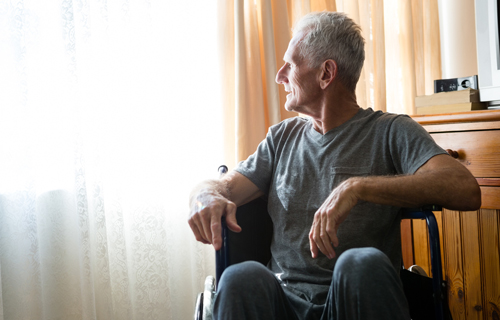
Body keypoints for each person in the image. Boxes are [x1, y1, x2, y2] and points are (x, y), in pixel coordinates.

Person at [188, 11, 481, 320]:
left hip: (353, 300)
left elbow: (465, 189)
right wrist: (206, 195)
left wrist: (359, 186)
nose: (280, 75)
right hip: (283, 300)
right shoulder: (281, 137)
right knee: (240, 277)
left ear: (326, 74)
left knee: (361, 262)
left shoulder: (390, 130)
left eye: (291, 64)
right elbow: (225, 186)